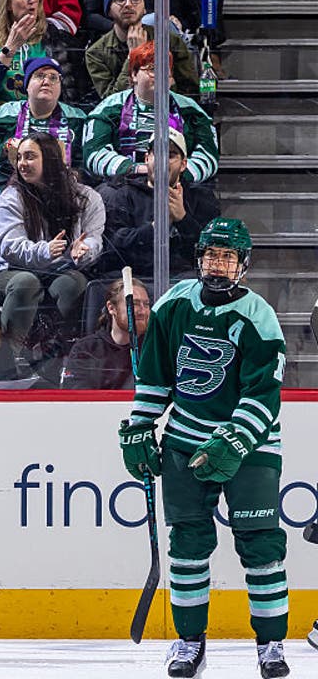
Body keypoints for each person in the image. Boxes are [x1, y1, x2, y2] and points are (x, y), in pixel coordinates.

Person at [119, 217, 290, 679]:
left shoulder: (258, 316)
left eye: (227, 257)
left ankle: (271, 644)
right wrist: (141, 425)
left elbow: (263, 394)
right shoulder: (174, 304)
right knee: (188, 544)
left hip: (250, 446)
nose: (217, 265)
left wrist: (234, 439)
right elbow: (155, 377)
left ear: (243, 265)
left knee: (261, 544)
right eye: (211, 256)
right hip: (186, 440)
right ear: (199, 259)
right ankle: (190, 642)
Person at [0, 132, 105, 345]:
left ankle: (60, 350)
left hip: (59, 270)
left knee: (74, 283)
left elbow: (94, 238)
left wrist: (84, 250)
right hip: (12, 272)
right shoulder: (11, 197)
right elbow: (8, 247)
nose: (22, 164)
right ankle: (11, 354)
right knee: (26, 283)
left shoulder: (87, 197)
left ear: (51, 159)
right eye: (19, 158)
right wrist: (44, 251)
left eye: (30, 157)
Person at [0, 57, 86, 228]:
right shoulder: (1, 116)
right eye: (39, 76)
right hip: (4, 193)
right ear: (26, 85)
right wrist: (5, 150)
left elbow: (86, 165)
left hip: (60, 194)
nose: (46, 81)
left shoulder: (77, 119)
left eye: (53, 77)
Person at [85, 42, 217, 184]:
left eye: (165, 70)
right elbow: (94, 153)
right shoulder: (109, 108)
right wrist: (135, 169)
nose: (160, 76)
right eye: (153, 69)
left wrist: (176, 174)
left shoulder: (190, 109)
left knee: (204, 196)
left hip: (180, 184)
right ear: (134, 75)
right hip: (123, 185)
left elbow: (209, 154)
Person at [98, 131, 220, 277]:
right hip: (136, 277)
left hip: (183, 279)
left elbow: (209, 252)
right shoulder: (124, 194)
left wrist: (183, 219)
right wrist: (155, 228)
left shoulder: (201, 198)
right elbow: (115, 247)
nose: (163, 161)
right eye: (158, 153)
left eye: (170, 155)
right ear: (147, 158)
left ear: (183, 164)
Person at [84, 0, 198, 99]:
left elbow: (190, 91)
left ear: (144, 9)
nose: (128, 4)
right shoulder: (95, 53)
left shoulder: (169, 41)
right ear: (109, 10)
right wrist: (133, 55)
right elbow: (111, 101)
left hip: (168, 108)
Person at [59, 278, 149, 390]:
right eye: (134, 304)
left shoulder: (155, 348)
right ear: (111, 308)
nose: (143, 311)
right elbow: (77, 398)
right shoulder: (85, 350)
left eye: (146, 304)